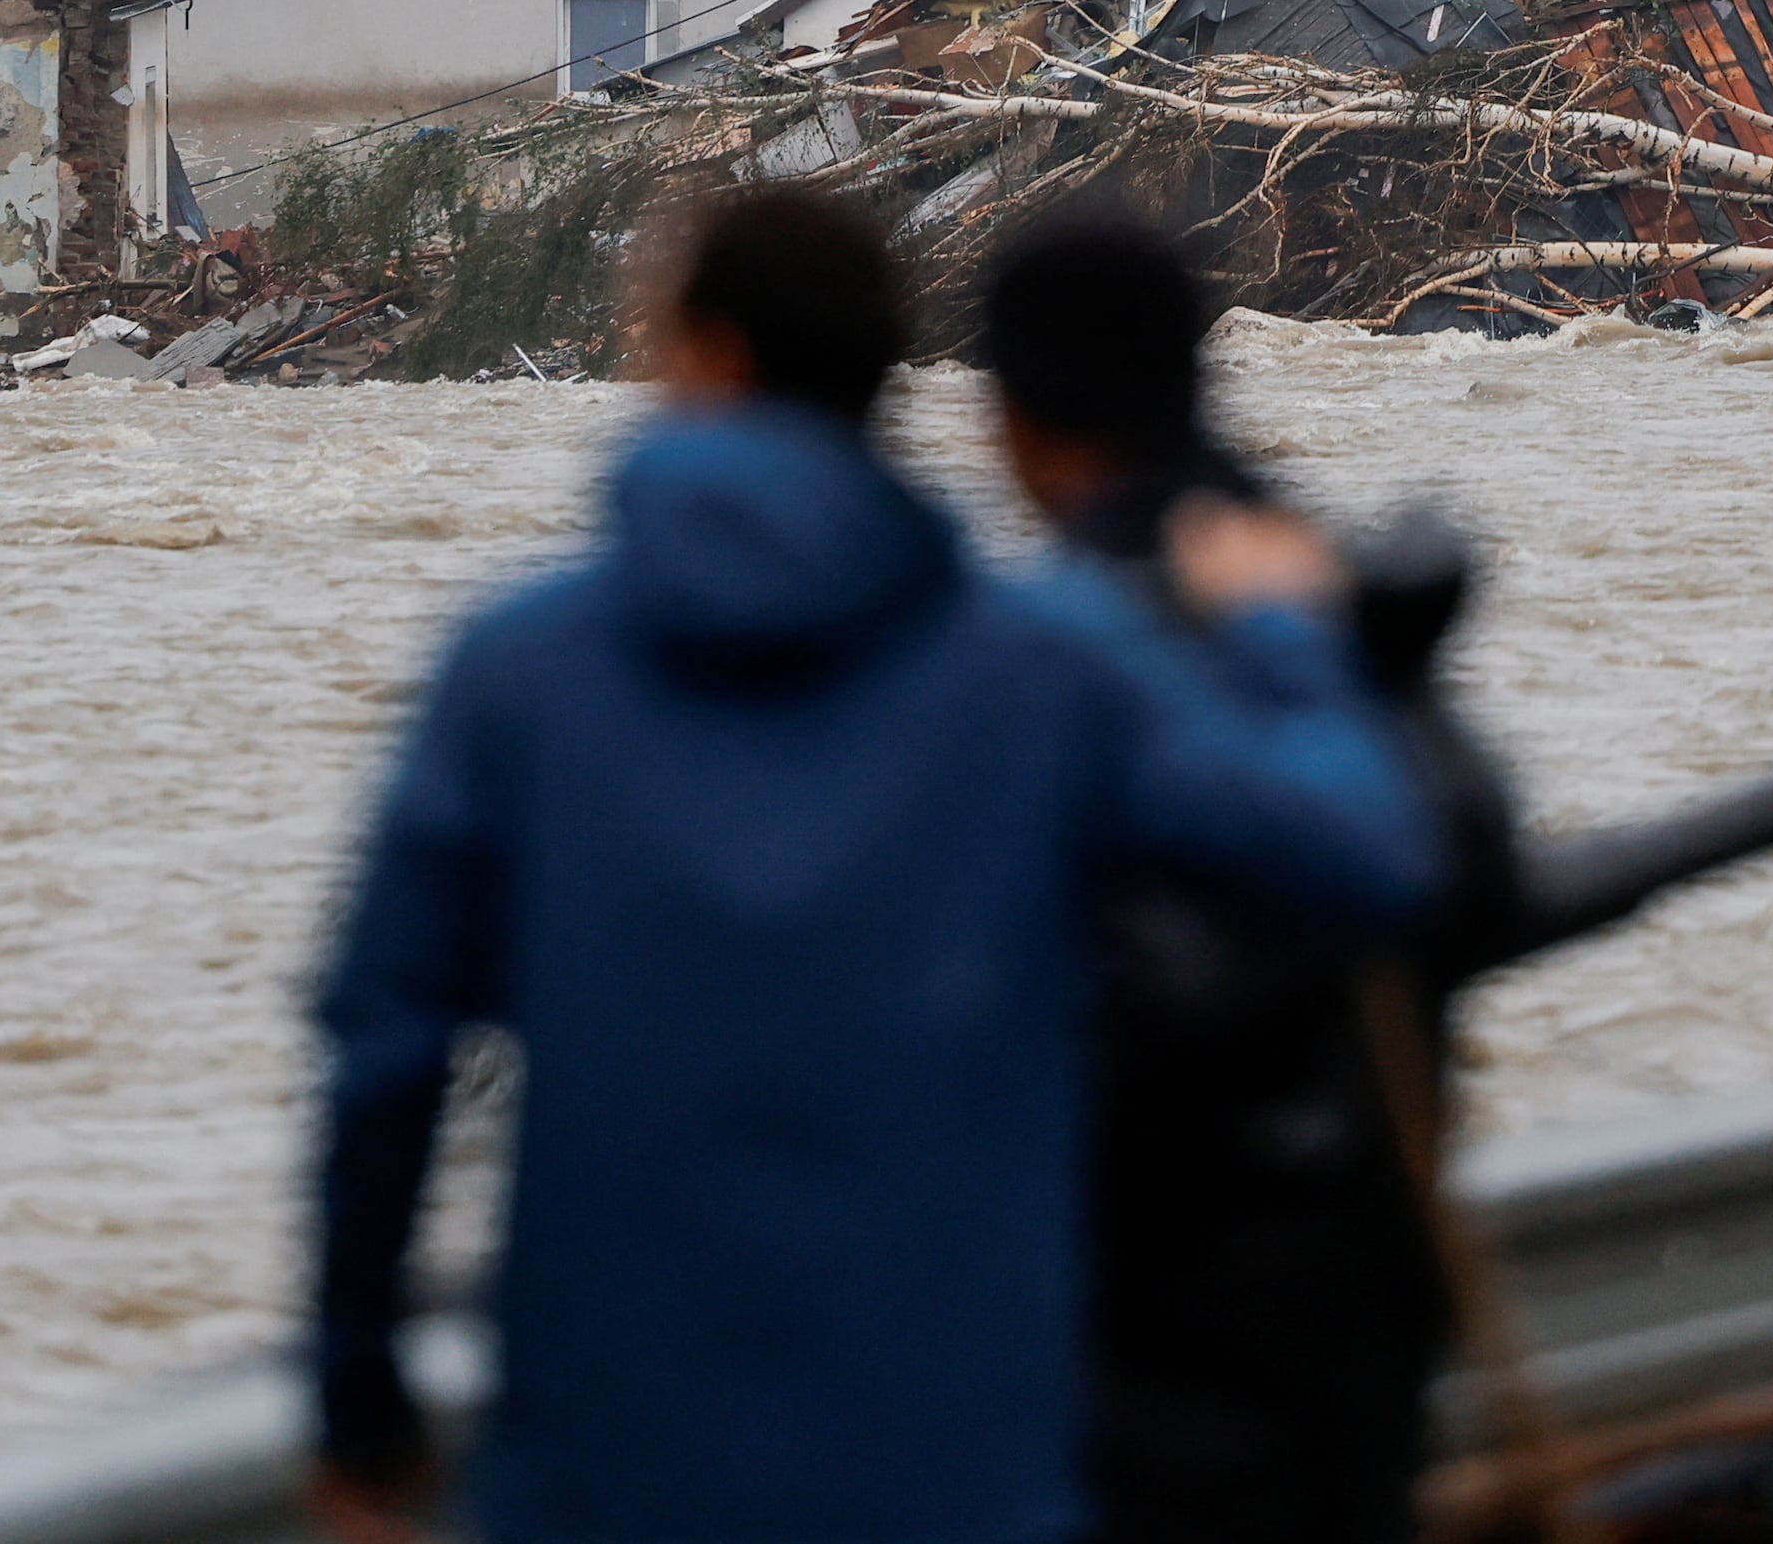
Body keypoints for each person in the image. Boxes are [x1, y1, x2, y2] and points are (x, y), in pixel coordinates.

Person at [303, 187, 1440, 1544]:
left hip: (607, 1473)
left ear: (713, 356)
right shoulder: (1045, 666)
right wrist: (1282, 638)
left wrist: (359, 1407)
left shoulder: (514, 676)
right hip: (958, 1474)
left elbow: (385, 1058)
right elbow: (1366, 851)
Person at [977, 210, 1520, 1544]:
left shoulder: (1059, 647)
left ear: (1017, 419)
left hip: (1149, 1347)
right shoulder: (1305, 577)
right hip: (1361, 1317)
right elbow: (1477, 860)